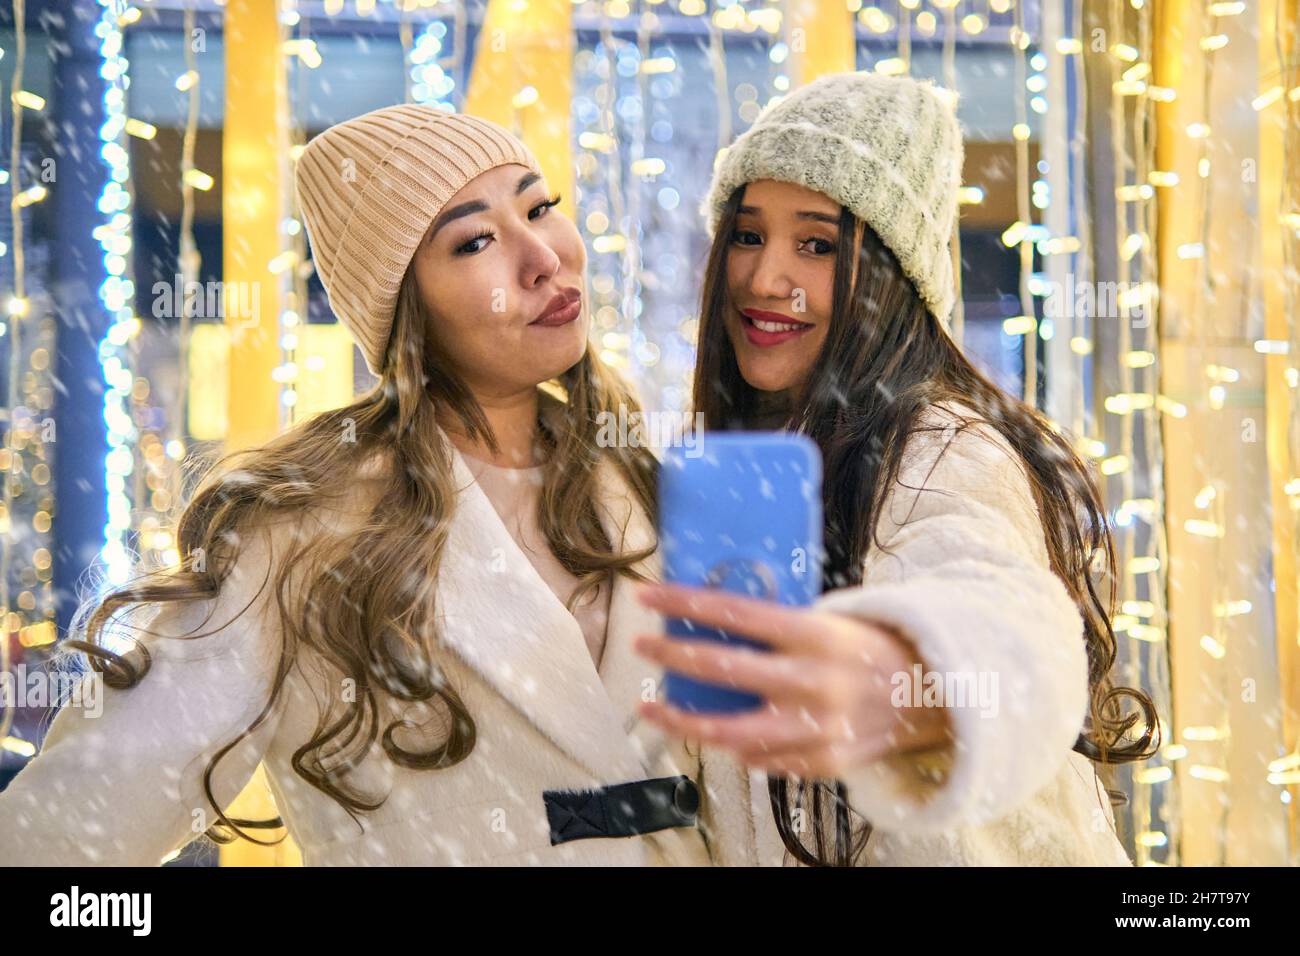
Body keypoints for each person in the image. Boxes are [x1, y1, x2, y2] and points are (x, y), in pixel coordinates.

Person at [0, 106, 772, 866]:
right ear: (405, 309)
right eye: (474, 241)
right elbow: (78, 823)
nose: (542, 257)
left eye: (540, 207)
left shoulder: (652, 486)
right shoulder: (301, 531)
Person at [633, 71, 1158, 866]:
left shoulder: (942, 447)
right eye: (747, 234)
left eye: (816, 245)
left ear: (891, 279)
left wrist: (910, 672)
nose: (765, 277)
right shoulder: (732, 467)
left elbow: (1000, 607)